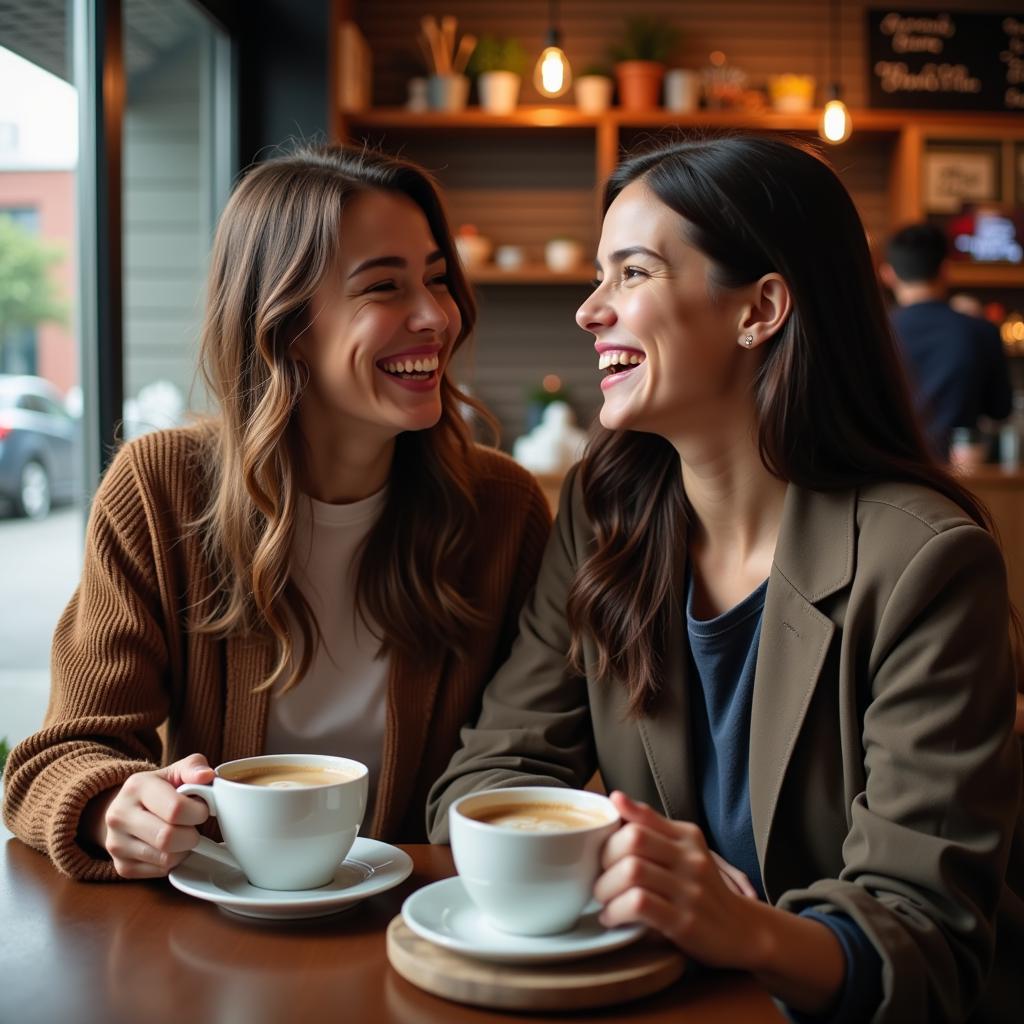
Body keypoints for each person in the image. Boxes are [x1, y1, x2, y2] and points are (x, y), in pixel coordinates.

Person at [427, 136, 1024, 1023]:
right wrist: (609, 863)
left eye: (632, 273)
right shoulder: (606, 510)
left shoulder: (925, 563)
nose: (591, 310)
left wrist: (736, 926)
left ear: (761, 309)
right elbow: (491, 773)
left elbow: (925, 939)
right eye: (600, 276)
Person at [1, 144, 551, 882]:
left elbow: (532, 757)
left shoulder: (501, 509)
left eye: (438, 279)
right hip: (220, 932)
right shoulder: (160, 490)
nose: (437, 316)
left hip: (422, 922)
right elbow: (54, 761)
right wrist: (114, 808)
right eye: (385, 286)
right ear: (286, 323)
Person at [880, 223, 1013, 460]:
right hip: (962, 475)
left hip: (890, 469)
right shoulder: (981, 330)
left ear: (888, 274)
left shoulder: (875, 331)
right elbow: (1000, 410)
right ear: (945, 270)